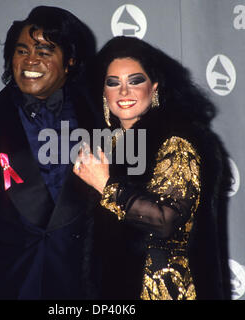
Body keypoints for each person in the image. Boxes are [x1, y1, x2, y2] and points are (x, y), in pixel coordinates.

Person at [0, 6, 98, 299]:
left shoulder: (101, 119)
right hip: (7, 286)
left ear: (70, 61)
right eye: (21, 50)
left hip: (82, 289)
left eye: (44, 51)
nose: (30, 60)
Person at [73, 36, 232, 300]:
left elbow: (164, 220)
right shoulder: (105, 144)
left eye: (135, 81)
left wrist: (105, 185)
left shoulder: (177, 139)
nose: (124, 92)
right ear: (103, 92)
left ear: (154, 87)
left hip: (165, 291)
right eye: (113, 83)